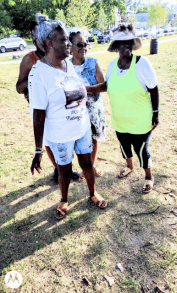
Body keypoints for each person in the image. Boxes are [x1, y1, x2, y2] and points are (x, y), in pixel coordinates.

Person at [28, 14, 107, 219]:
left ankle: (92, 193)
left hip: (81, 129)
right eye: (63, 40)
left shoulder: (68, 64)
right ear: (49, 43)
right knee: (64, 171)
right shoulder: (38, 73)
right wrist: (38, 149)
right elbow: (38, 114)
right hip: (60, 135)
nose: (68, 44)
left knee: (87, 164)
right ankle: (64, 199)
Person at [86, 24, 159, 193]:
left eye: (129, 42)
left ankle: (148, 176)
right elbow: (107, 85)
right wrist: (88, 88)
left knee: (141, 149)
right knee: (124, 145)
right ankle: (129, 166)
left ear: (133, 44)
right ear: (116, 46)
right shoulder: (112, 65)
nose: (126, 46)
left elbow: (154, 88)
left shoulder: (142, 63)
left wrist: (156, 113)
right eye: (122, 42)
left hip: (140, 119)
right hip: (120, 118)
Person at [16, 21, 79, 183]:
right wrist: (35, 79)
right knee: (49, 140)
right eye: (39, 38)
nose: (42, 40)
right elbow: (19, 86)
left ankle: (66, 167)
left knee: (62, 137)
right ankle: (58, 169)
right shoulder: (29, 59)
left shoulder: (59, 56)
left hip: (60, 105)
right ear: (36, 40)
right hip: (40, 106)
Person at [69, 31, 106, 182]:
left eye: (85, 44)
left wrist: (86, 89)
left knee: (93, 138)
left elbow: (104, 85)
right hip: (74, 110)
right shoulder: (65, 66)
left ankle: (90, 166)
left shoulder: (93, 62)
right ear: (70, 47)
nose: (83, 47)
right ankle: (81, 166)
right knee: (77, 139)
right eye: (79, 44)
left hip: (93, 109)